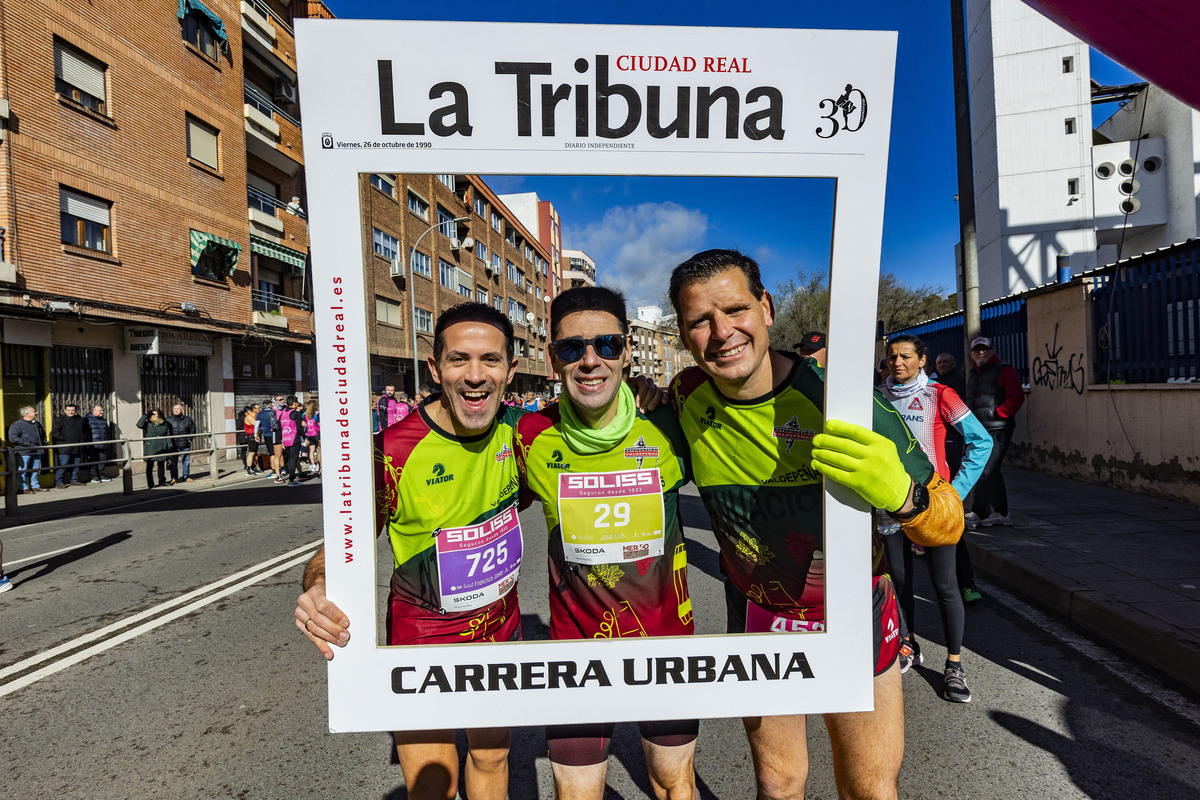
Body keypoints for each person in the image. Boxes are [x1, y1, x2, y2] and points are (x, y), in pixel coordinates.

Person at [667, 249, 963, 800]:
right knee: (778, 784)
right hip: (758, 615)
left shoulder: (844, 402)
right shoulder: (686, 396)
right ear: (683, 335)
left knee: (869, 788)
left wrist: (901, 496)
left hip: (854, 615)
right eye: (699, 322)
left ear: (768, 308)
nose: (722, 332)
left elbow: (947, 526)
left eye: (735, 310)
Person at [295, 302, 524, 800]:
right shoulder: (390, 451)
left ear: (511, 367)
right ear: (434, 366)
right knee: (431, 785)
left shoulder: (525, 433)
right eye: (459, 359)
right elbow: (340, 546)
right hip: (421, 641)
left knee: (492, 757)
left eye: (490, 360)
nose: (475, 375)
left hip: (499, 634)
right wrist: (318, 585)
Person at [515, 286, 698, 800]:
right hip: (576, 657)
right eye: (573, 349)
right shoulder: (530, 433)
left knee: (673, 786)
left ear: (626, 352)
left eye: (607, 345)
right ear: (553, 358)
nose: (590, 360)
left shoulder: (667, 420)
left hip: (666, 648)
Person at [877, 335, 992, 702]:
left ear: (922, 359)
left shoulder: (940, 395)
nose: (898, 363)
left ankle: (954, 666)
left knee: (945, 587)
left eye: (906, 356)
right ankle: (908, 643)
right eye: (892, 357)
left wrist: (955, 492)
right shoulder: (877, 396)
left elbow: (981, 442)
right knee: (898, 580)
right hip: (890, 503)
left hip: (934, 505)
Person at [964, 336, 1026, 528]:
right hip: (980, 428)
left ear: (991, 351)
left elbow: (1016, 396)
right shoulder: (974, 373)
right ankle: (1001, 513)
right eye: (977, 350)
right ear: (972, 354)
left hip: (997, 428)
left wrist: (1000, 413)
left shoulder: (1003, 369)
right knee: (993, 471)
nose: (980, 352)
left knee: (986, 470)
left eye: (984, 349)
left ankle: (979, 513)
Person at [51, 403, 92, 487]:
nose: (71, 412)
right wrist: (65, 439)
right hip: (65, 447)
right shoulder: (59, 420)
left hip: (77, 446)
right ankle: (59, 482)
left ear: (75, 411)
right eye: (69, 410)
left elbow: (85, 431)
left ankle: (74, 480)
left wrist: (82, 440)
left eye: (72, 410)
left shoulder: (80, 419)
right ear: (65, 410)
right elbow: (55, 433)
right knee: (64, 465)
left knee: (76, 464)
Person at [8, 406, 46, 494]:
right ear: (27, 414)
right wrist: (28, 444)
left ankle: (35, 485)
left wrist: (43, 443)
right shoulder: (17, 425)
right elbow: (13, 438)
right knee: (23, 469)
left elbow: (42, 434)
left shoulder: (36, 423)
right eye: (34, 411)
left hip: (37, 450)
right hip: (24, 451)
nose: (36, 413)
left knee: (35, 468)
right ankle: (23, 487)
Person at [136, 408, 171, 488]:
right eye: (153, 414)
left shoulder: (164, 423)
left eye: (156, 414)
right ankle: (150, 484)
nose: (155, 416)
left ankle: (162, 482)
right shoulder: (148, 424)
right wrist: (145, 416)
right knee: (149, 465)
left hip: (162, 445)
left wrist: (169, 445)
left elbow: (168, 435)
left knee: (161, 464)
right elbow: (139, 424)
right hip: (151, 447)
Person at [164, 403, 197, 483]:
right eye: (174, 409)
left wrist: (189, 439)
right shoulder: (168, 420)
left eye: (178, 409)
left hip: (185, 444)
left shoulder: (188, 419)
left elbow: (193, 429)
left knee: (186, 462)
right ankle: (174, 478)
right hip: (173, 444)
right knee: (173, 463)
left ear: (182, 410)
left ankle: (186, 477)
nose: (176, 410)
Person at [256, 396, 284, 479]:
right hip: (277, 433)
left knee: (272, 454)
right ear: (271, 404)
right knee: (279, 453)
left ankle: (274, 471)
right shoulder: (276, 411)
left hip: (268, 435)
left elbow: (256, 426)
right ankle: (282, 469)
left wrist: (256, 435)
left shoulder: (260, 414)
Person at [279, 395, 305, 486]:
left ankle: (292, 478)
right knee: (293, 459)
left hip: (286, 439)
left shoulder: (283, 413)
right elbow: (299, 428)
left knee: (291, 459)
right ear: (294, 403)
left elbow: (280, 427)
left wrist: (282, 440)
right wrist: (305, 437)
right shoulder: (296, 413)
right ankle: (291, 480)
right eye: (297, 402)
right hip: (294, 438)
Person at [84, 405, 112, 483]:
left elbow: (106, 432)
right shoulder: (87, 420)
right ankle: (94, 477)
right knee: (93, 461)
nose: (102, 412)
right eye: (100, 410)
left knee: (102, 461)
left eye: (102, 410)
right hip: (91, 445)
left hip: (101, 444)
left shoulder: (103, 420)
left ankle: (102, 475)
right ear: (94, 411)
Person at [241, 404, 262, 475]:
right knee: (251, 452)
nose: (260, 409)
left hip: (256, 436)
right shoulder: (250, 417)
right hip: (251, 436)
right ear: (254, 409)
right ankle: (249, 468)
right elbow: (257, 424)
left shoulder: (256, 416)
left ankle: (253, 467)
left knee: (255, 452)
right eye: (258, 408)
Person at [304, 399, 321, 475]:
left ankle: (313, 465)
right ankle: (319, 465)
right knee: (319, 450)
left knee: (311, 450)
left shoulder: (306, 414)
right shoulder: (316, 414)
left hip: (309, 433)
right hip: (316, 433)